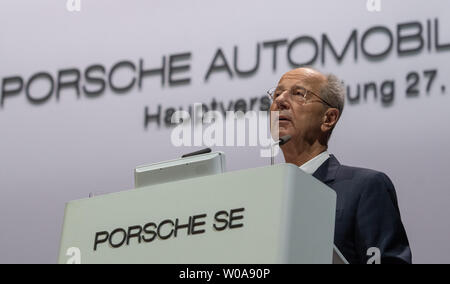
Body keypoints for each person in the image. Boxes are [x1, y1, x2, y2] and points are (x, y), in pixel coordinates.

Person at [268, 67, 412, 264]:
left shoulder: (365, 187)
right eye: (276, 94)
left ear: (328, 118)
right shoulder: (261, 197)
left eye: (298, 94)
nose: (280, 101)